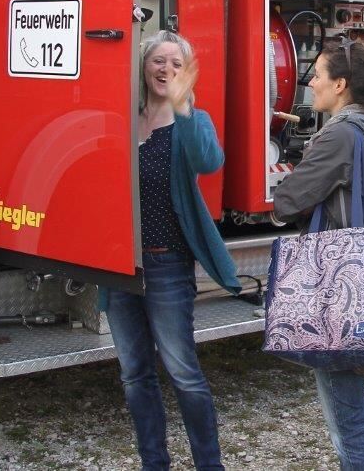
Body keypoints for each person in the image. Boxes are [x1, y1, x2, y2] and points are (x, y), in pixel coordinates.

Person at [100, 30, 241, 471]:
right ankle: (153, 463)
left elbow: (209, 162)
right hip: (121, 267)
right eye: (158, 61)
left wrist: (182, 105)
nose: (166, 70)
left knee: (183, 374)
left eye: (176, 64)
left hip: (166, 263)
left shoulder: (191, 120)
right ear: (143, 66)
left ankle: (209, 466)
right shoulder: (123, 116)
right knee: (134, 375)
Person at [272, 39, 364, 471]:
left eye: (319, 75)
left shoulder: (341, 135)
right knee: (356, 409)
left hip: (335, 289)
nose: (311, 82)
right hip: (363, 280)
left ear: (341, 84)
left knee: (347, 421)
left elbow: (288, 201)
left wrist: (293, 171)